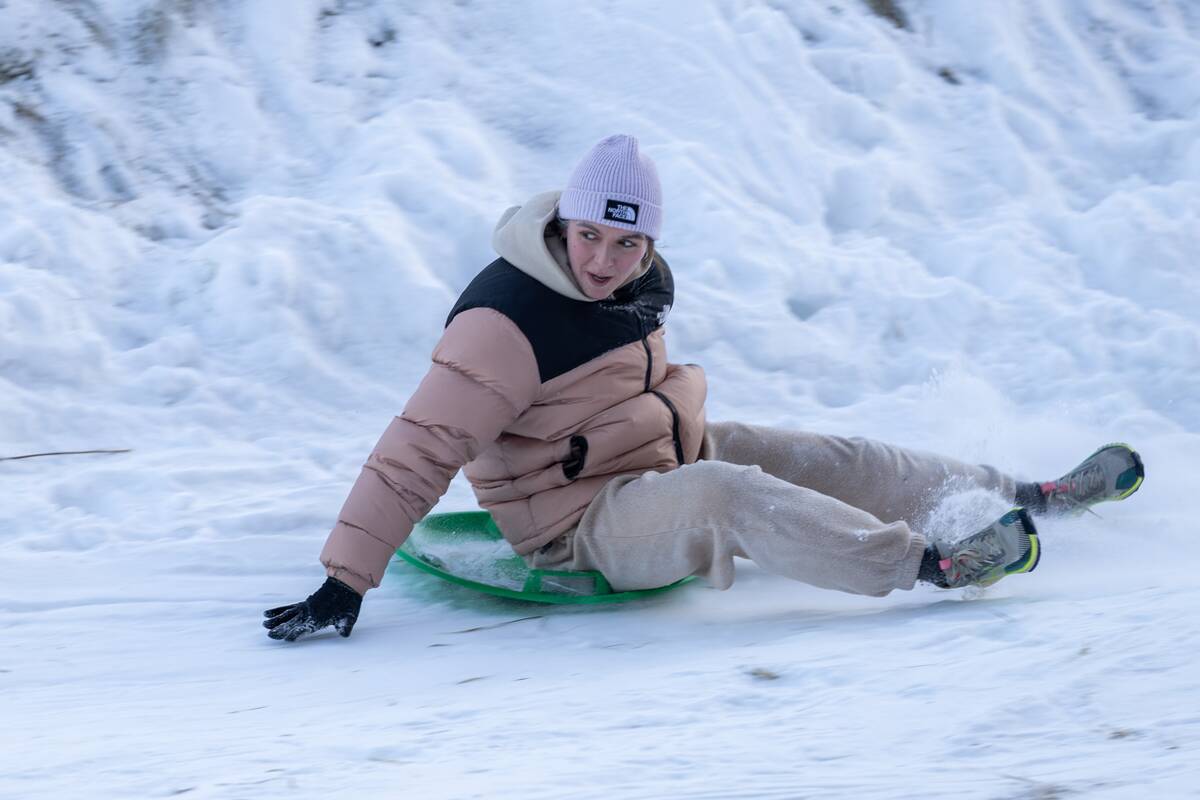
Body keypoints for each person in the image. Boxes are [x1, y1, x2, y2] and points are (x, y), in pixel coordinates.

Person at [263, 135, 1145, 642]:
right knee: (728, 494)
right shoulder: (504, 321)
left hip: (651, 458)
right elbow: (417, 446)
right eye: (587, 240)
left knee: (826, 453)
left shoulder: (634, 282)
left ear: (648, 244)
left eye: (627, 246)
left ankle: (1025, 493)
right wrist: (345, 580)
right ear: (561, 223)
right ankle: (933, 567)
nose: (604, 263)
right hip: (576, 521)